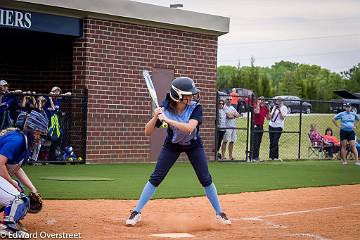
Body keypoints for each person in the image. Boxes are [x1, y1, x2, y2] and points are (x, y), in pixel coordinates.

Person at [125, 77, 231, 226]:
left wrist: (167, 120)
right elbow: (147, 132)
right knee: (156, 177)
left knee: (205, 178)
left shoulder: (195, 107)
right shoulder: (165, 107)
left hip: (193, 144)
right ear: (177, 96)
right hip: (172, 145)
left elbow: (189, 128)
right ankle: (136, 212)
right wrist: (156, 116)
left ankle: (220, 213)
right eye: (188, 95)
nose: (192, 97)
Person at [0, 110, 48, 236]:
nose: (39, 138)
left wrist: (33, 188)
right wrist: (12, 182)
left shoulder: (22, 140)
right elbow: (0, 164)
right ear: (30, 129)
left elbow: (15, 168)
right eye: (38, 133)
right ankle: (7, 227)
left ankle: (12, 219)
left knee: (20, 192)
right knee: (19, 198)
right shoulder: (17, 139)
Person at [251, 96, 270, 162]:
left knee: (259, 142)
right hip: (255, 125)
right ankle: (253, 157)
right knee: (255, 142)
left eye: (263, 100)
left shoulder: (265, 108)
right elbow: (257, 112)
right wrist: (258, 104)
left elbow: (268, 118)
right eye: (260, 100)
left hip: (261, 126)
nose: (262, 101)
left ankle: (256, 156)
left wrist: (269, 110)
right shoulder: (256, 106)